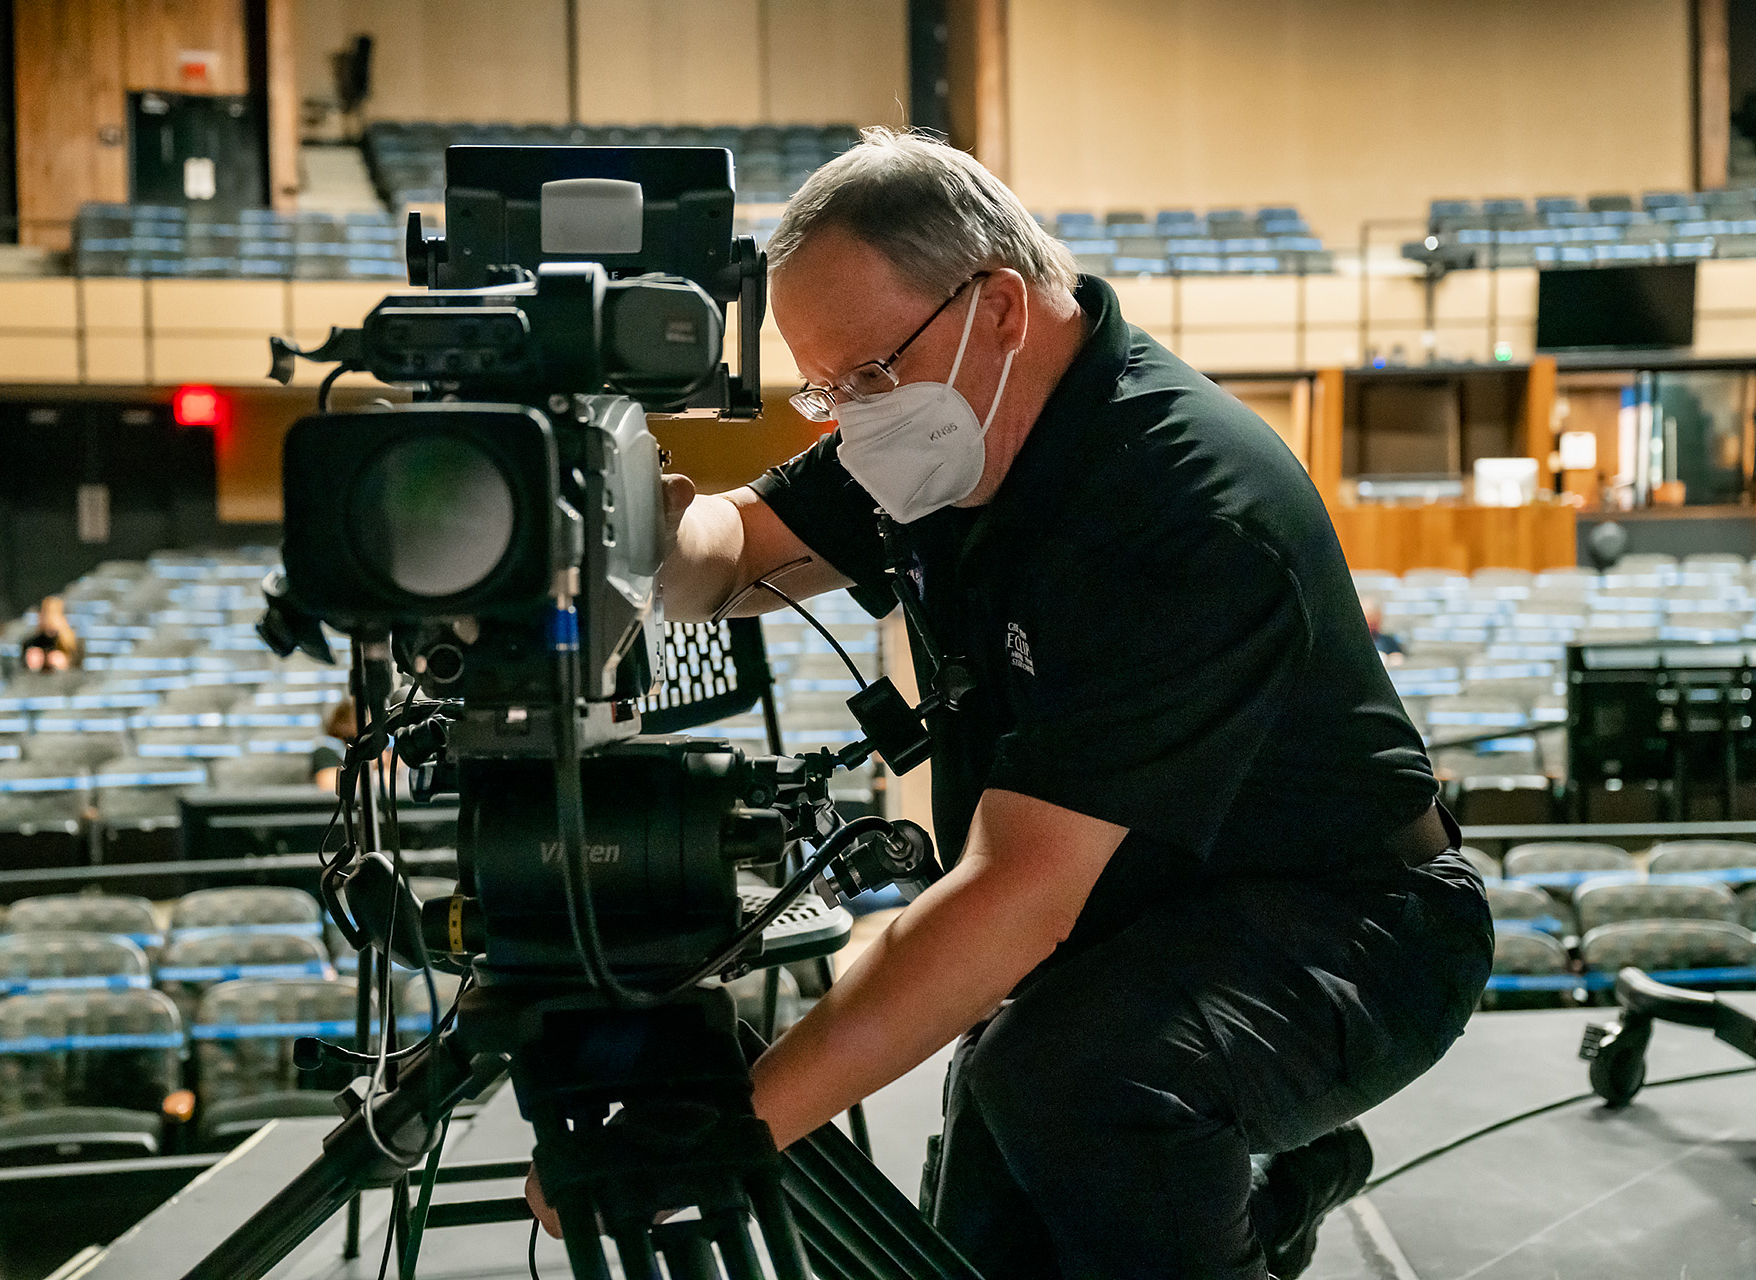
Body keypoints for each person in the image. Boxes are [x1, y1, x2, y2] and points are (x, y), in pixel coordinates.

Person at [523, 130, 1492, 1279]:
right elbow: (738, 550)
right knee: (985, 1235)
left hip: (1350, 919)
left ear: (997, 308)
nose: (844, 416)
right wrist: (643, 532)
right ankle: (1265, 1195)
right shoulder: (937, 425)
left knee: (1071, 1079)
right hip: (1130, 919)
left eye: (864, 377)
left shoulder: (1181, 507)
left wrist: (716, 1131)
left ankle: (1246, 1195)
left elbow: (1016, 894)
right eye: (824, 387)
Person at [20, 595, 82, 672]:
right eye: (44, 613)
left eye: (52, 614)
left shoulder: (72, 642)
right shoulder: (31, 642)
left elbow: (78, 667)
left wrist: (65, 662)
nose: (48, 618)